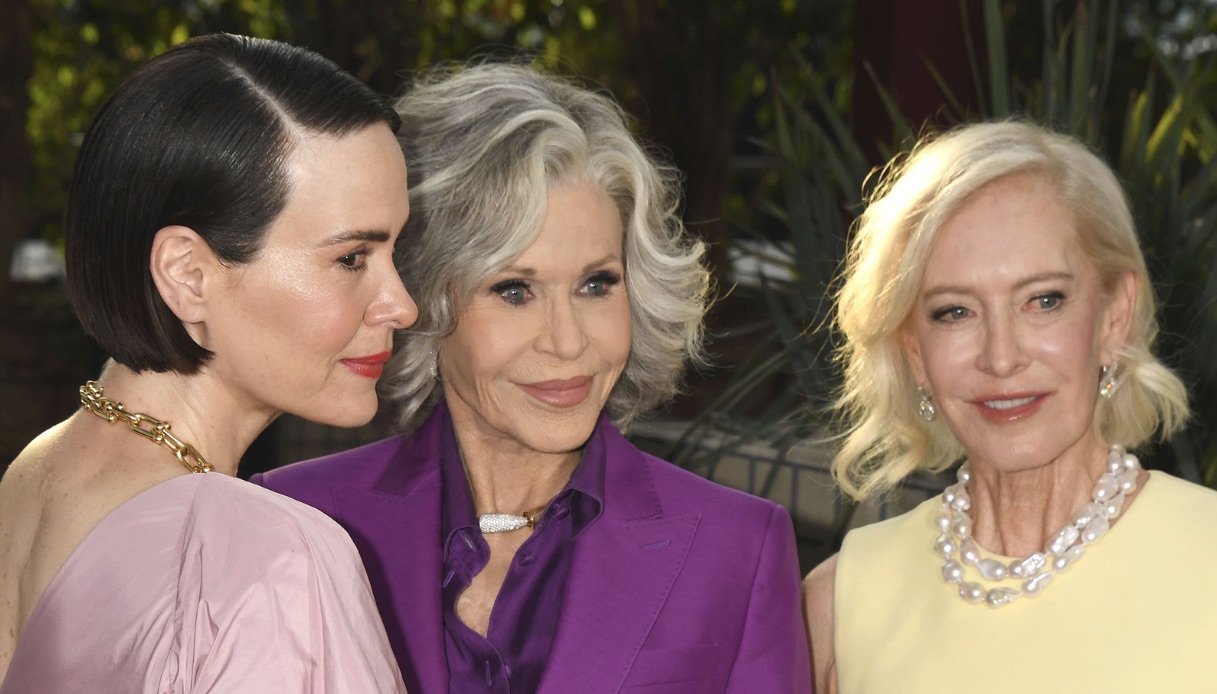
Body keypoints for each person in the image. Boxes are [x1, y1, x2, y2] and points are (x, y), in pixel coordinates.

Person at [254, 62, 811, 694]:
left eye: (596, 284)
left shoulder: (736, 548)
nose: (568, 341)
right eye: (515, 291)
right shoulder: (297, 520)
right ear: (421, 297)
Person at [0, 34, 414, 692]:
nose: (401, 306)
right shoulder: (275, 559)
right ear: (187, 274)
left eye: (395, 252)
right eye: (351, 259)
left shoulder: (34, 478)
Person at [803, 120, 1217, 692]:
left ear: (1113, 317)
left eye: (1043, 301)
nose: (1001, 358)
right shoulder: (840, 605)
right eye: (955, 312)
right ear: (914, 350)